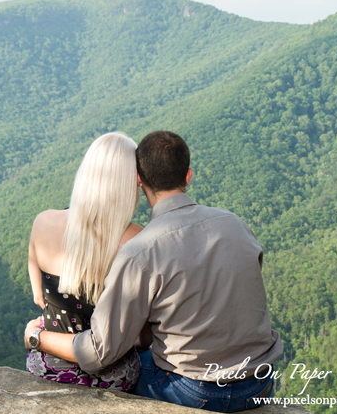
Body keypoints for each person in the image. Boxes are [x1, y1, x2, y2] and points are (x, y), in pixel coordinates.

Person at [25, 130, 283, 412]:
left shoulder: (141, 249)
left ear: (139, 181)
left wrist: (37, 337)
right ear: (188, 176)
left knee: (130, 362)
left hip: (192, 391)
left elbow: (99, 352)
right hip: (258, 383)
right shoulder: (235, 223)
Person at [24, 132, 143, 391]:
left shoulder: (43, 222)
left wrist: (38, 332)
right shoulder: (139, 239)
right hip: (112, 376)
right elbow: (142, 336)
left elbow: (39, 298)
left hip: (48, 367)